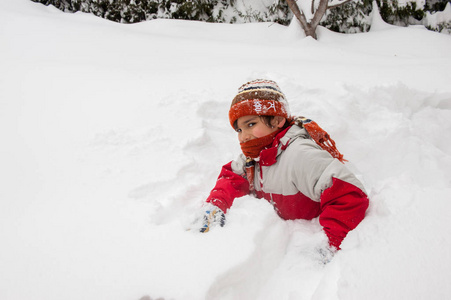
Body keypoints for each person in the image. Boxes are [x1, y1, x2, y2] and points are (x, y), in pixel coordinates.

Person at [196, 79, 369, 251]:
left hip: (302, 238)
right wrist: (217, 203)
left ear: (278, 120)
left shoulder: (299, 155)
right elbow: (232, 177)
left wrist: (329, 242)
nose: (243, 137)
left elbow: (349, 196)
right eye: (239, 130)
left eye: (251, 124)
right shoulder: (254, 155)